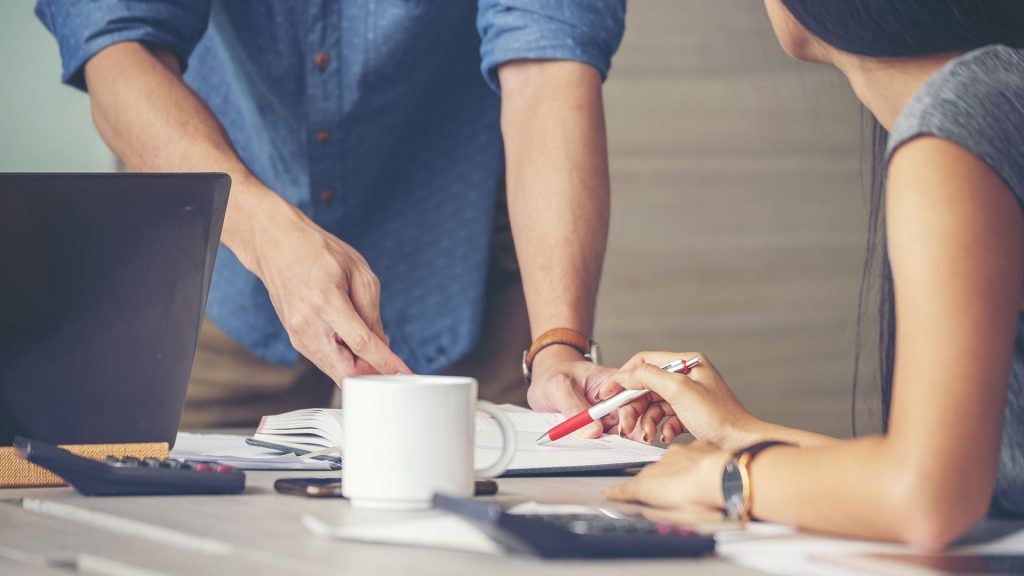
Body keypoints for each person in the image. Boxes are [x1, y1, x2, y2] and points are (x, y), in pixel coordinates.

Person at [35, 1, 625, 431]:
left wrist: (557, 347)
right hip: (216, 255)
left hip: (461, 252)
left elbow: (549, 65)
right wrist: (263, 232)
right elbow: (117, 49)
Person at [602, 0, 1024, 549]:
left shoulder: (959, 123)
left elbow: (927, 497)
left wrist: (720, 478)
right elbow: (954, 473)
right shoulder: (995, 89)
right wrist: (742, 433)